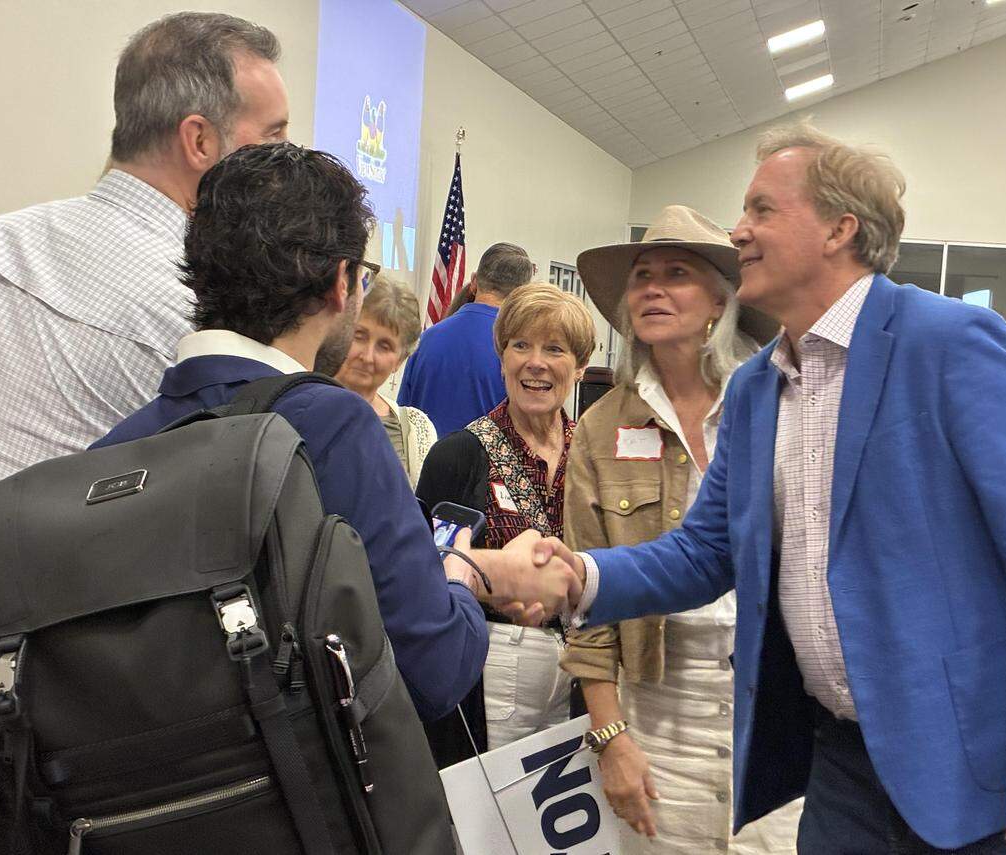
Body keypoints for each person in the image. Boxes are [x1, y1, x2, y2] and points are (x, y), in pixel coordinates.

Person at [537, 123, 1006, 855]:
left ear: (841, 227)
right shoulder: (755, 390)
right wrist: (576, 574)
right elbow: (704, 551)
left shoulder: (951, 344)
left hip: (981, 773)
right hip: (839, 767)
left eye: (761, 210)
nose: (739, 231)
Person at [91, 143, 580, 722]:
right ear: (340, 284)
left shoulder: (116, 447)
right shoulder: (336, 428)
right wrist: (463, 573)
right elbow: (437, 669)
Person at [562, 204, 799, 853]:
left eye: (676, 273)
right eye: (641, 276)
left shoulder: (777, 402)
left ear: (721, 300)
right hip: (660, 715)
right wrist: (610, 737)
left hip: (775, 705)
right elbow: (587, 604)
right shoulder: (601, 427)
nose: (653, 288)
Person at [0, 12, 292, 483]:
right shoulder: (202, 315)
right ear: (199, 141)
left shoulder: (0, 240)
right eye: (273, 134)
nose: (285, 155)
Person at [416, 282, 595, 767]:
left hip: (583, 675)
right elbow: (425, 575)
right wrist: (498, 586)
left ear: (580, 367)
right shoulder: (458, 456)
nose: (534, 362)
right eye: (520, 345)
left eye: (554, 349)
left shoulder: (593, 457)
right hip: (489, 678)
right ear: (501, 358)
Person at [398, 243, 533, 435]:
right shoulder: (517, 349)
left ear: (474, 281)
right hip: (485, 463)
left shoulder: (427, 339)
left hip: (425, 462)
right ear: (522, 295)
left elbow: (403, 417)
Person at [335, 273, 436, 487]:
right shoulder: (304, 405)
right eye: (359, 336)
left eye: (384, 346)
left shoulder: (418, 429)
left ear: (399, 360)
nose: (367, 356)